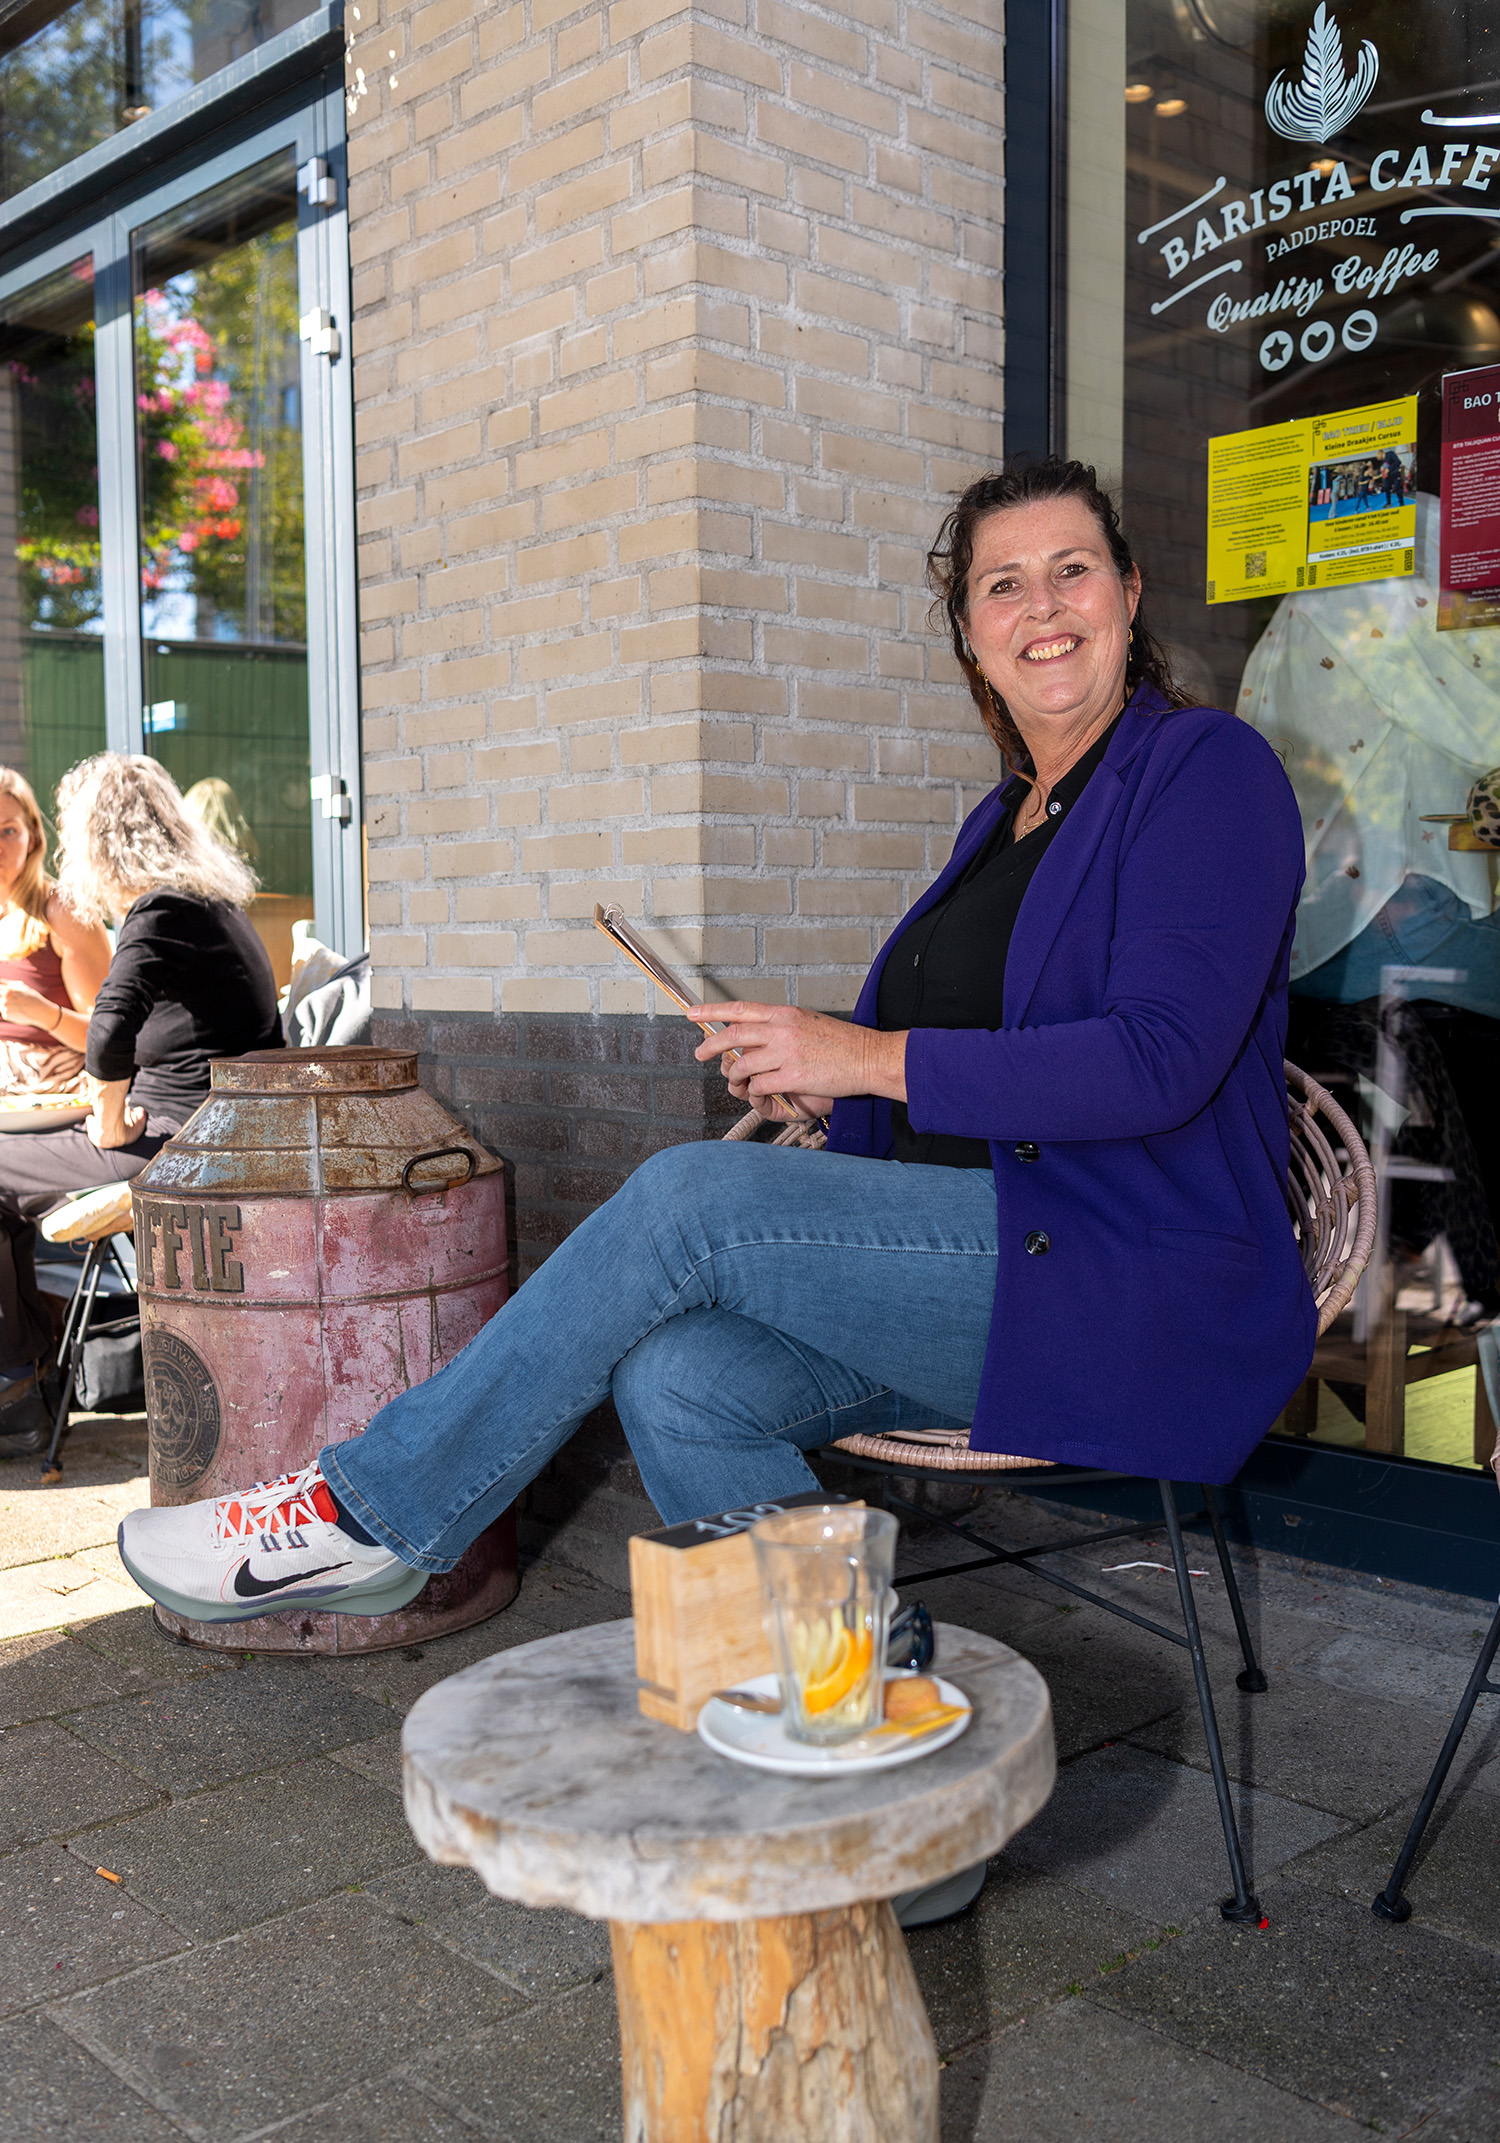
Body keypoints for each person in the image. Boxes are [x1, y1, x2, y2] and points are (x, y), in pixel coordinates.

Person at [118, 458, 1315, 1627]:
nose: (1042, 607)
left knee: (692, 1195)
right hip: (977, 1273)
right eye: (1004, 584)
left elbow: (1155, 1061)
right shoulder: (1002, 817)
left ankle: (367, 1511)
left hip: (1124, 1272)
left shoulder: (1206, 771)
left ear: (1131, 592)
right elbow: (977, 1060)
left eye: (1073, 570)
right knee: (682, 1374)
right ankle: (842, 1677)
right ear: (969, 631)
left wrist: (861, 1057)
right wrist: (835, 1103)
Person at [0, 754, 282, 1451]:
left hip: (180, 1137)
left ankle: (17, 1383)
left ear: (98, 838)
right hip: (214, 1124)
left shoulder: (162, 907)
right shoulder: (207, 900)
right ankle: (22, 1371)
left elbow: (108, 1027)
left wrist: (106, 1115)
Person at [0, 767, 111, 1100]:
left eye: (7, 831)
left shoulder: (63, 911)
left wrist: (43, 1013)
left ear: (32, 836)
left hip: (47, 1097)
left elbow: (110, 1036)